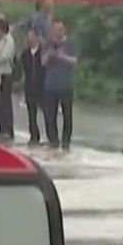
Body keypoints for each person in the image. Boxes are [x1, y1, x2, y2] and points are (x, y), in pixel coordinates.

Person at [42, 18, 78, 150]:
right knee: (49, 115)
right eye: (55, 29)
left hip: (66, 85)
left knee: (67, 115)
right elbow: (43, 62)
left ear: (64, 30)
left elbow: (74, 61)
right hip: (50, 84)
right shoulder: (48, 43)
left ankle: (66, 142)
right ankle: (53, 141)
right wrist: (49, 55)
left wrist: (62, 56)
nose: (58, 32)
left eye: (60, 29)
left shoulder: (70, 43)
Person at [0, 17, 17, 140]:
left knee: (6, 102)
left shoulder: (9, 40)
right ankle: (1, 128)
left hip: (6, 74)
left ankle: (8, 129)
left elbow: (4, 57)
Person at [22, 25, 47, 146]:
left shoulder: (43, 53)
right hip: (29, 86)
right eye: (28, 37)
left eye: (32, 36)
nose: (30, 39)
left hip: (42, 86)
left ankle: (50, 135)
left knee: (46, 111)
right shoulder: (25, 54)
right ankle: (34, 135)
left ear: (37, 37)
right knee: (31, 113)